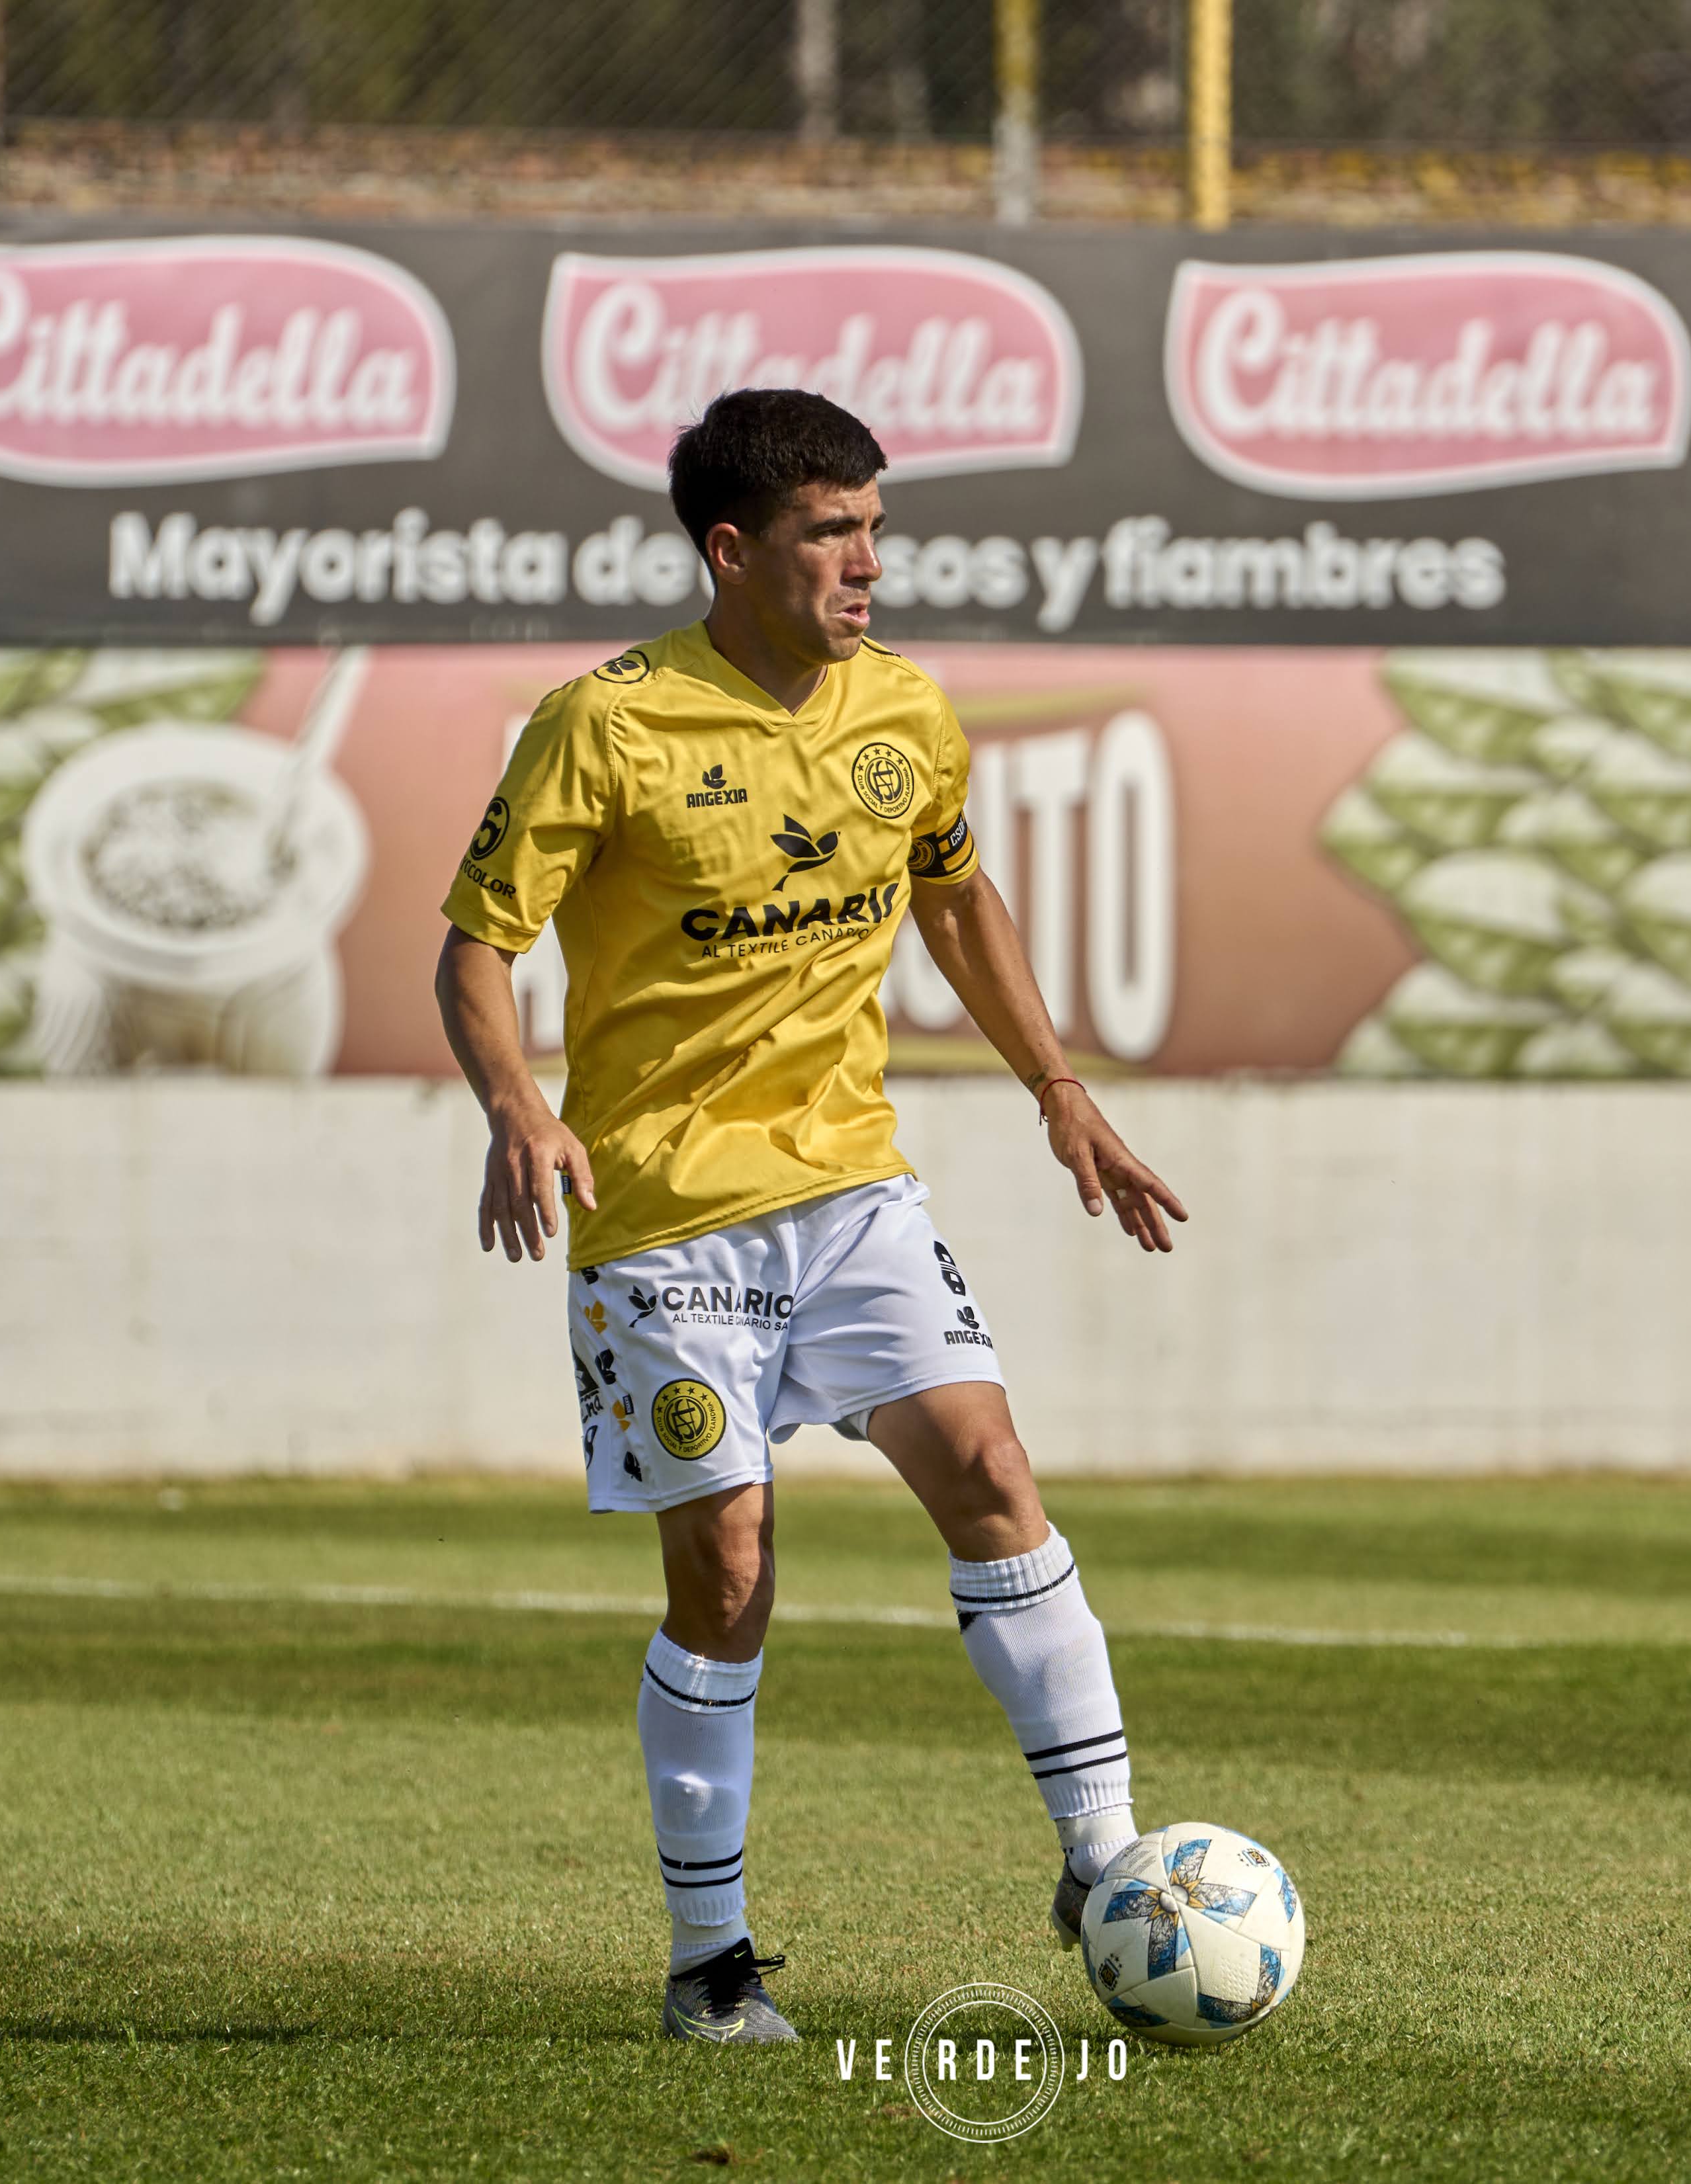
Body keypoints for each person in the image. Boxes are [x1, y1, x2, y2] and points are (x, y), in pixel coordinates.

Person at [436, 389, 1189, 2044]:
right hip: (663, 1218)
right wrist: (517, 1097)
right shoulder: (607, 723)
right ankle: (712, 1963)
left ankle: (1112, 1863)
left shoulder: (903, 711)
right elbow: (477, 942)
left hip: (851, 1188)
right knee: (729, 1567)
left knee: (993, 1472)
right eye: (831, 531)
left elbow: (954, 886)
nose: (868, 559)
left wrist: (1058, 1085)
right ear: (733, 549)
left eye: (874, 523)